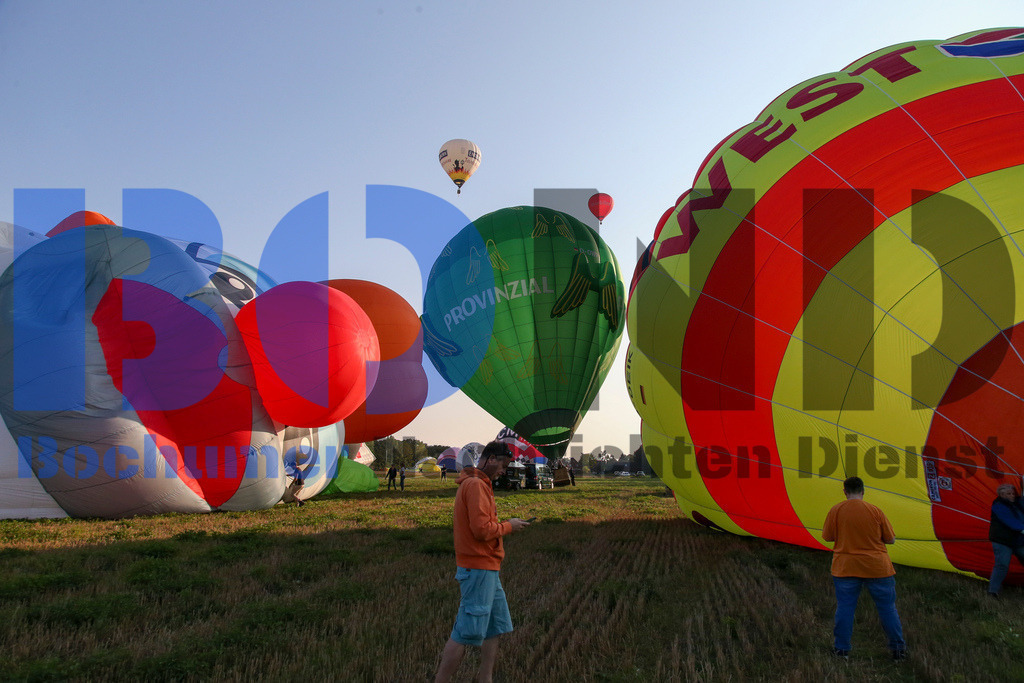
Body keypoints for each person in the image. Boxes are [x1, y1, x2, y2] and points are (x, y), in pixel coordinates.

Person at [435, 441, 531, 683]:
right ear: (489, 459)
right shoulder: (476, 485)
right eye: (503, 465)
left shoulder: (480, 484)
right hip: (478, 568)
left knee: (495, 626)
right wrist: (510, 526)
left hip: (488, 567)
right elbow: (481, 530)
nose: (504, 471)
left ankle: (485, 678)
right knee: (465, 632)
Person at [822, 476, 906, 661]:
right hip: (877, 567)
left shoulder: (835, 510)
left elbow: (827, 537)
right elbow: (890, 539)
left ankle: (841, 650)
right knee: (887, 609)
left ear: (844, 491)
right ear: (863, 490)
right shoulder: (875, 511)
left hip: (845, 567)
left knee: (845, 607)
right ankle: (898, 650)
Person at [988, 482, 1024, 597]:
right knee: (1002, 565)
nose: (1012, 495)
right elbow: (1011, 521)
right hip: (1002, 541)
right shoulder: (998, 505)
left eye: (1013, 493)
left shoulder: (1018, 503)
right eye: (1009, 493)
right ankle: (993, 592)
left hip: (1018, 540)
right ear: (1002, 495)